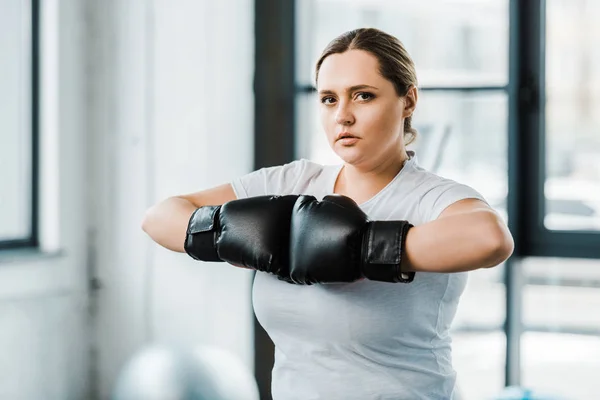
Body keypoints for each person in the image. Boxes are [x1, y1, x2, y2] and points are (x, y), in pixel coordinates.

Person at [142, 27, 514, 400]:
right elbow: (159, 218)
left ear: (408, 101)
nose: (343, 116)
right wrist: (234, 233)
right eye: (329, 99)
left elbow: (490, 239)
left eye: (363, 96)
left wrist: (352, 247)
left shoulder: (432, 198)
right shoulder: (293, 183)